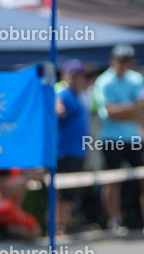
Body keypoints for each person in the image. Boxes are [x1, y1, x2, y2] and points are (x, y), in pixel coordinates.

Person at [95, 43, 144, 237]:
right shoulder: (104, 81)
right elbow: (111, 113)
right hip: (111, 139)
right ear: (113, 61)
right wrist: (133, 110)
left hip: (134, 138)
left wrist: (125, 111)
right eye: (120, 61)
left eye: (126, 61)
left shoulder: (136, 78)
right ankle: (114, 221)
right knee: (112, 181)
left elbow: (141, 108)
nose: (122, 65)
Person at [56, 60, 90, 234]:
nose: (78, 79)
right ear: (66, 77)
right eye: (74, 75)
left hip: (77, 151)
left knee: (69, 193)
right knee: (61, 192)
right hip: (64, 151)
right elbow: (58, 111)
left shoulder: (81, 96)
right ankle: (59, 226)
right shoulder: (62, 94)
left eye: (80, 76)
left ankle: (65, 225)